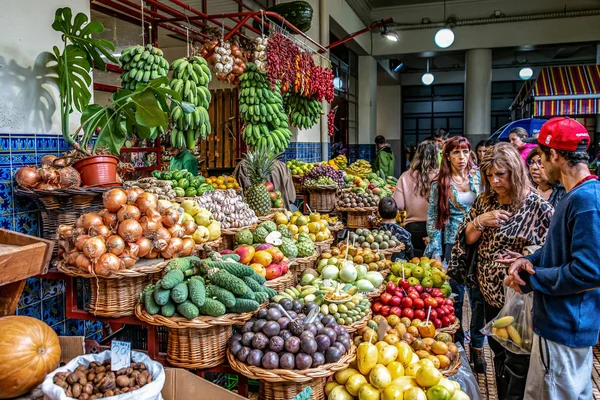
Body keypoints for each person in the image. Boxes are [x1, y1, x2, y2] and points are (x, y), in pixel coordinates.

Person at [504, 117, 600, 400]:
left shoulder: (586, 201)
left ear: (555, 155)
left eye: (542, 156)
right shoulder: (576, 196)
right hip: (560, 324)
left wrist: (533, 280)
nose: (539, 164)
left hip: (566, 325)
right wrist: (530, 259)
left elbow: (589, 272)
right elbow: (561, 250)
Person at [448, 142, 553, 398]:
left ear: (515, 172)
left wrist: (528, 256)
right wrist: (479, 221)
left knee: (518, 359)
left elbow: (553, 251)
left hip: (519, 299)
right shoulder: (484, 201)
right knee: (497, 352)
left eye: (501, 174)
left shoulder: (536, 207)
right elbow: (466, 238)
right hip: (488, 294)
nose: (494, 181)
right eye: (489, 175)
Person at [425, 136, 485, 367]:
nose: (462, 157)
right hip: (454, 246)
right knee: (456, 299)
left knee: (479, 299)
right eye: (456, 153)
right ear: (447, 156)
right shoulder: (440, 183)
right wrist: (437, 254)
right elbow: (434, 220)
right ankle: (457, 344)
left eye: (466, 152)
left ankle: (478, 345)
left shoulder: (479, 178)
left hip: (480, 245)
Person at [393, 140, 439, 257]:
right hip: (436, 228)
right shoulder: (440, 177)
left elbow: (398, 205)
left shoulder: (405, 176)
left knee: (414, 265)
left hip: (412, 228)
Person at [378, 197, 414, 261]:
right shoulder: (405, 233)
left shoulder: (376, 233)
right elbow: (411, 254)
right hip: (401, 266)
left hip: (381, 264)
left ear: (379, 214)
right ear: (397, 212)